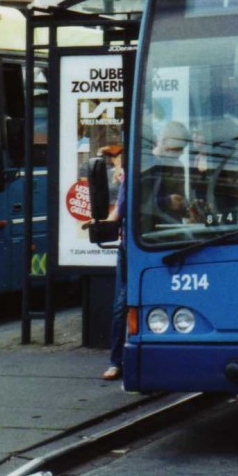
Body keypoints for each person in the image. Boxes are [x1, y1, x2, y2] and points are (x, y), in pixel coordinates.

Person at [102, 160, 127, 381]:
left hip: (135, 247)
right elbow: (119, 209)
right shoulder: (134, 173)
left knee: (122, 304)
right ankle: (116, 360)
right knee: (122, 303)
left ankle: (116, 361)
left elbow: (118, 211)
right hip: (133, 248)